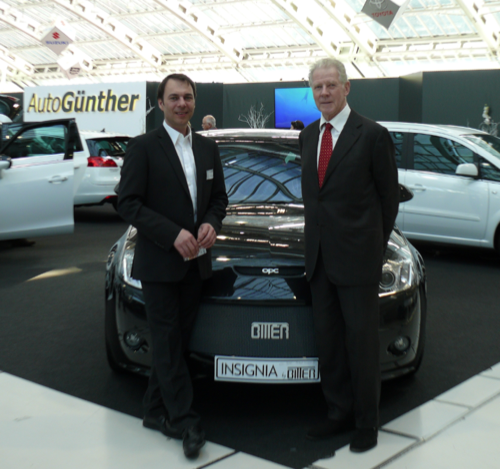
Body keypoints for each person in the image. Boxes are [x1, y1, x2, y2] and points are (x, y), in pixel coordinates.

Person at [117, 73, 228, 458]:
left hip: (196, 263)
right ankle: (184, 420)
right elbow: (128, 202)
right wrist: (172, 234)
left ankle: (154, 409)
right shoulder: (143, 147)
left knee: (176, 341)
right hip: (160, 263)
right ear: (161, 103)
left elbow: (219, 199)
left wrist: (212, 222)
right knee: (166, 340)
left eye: (188, 97)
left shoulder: (207, 148)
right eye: (174, 97)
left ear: (195, 101)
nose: (182, 104)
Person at [299, 58, 399, 453]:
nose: (324, 93)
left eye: (330, 85)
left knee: (361, 345)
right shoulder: (308, 136)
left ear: (346, 87)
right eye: (318, 87)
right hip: (319, 260)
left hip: (358, 262)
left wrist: (373, 249)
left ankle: (366, 422)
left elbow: (388, 200)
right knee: (329, 343)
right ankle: (338, 412)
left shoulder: (372, 135)